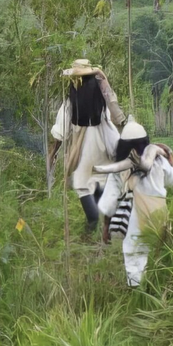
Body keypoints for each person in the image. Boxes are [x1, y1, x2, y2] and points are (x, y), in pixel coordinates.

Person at [48, 59, 127, 238]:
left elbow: (117, 117)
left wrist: (104, 81)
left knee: (101, 211)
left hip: (99, 161)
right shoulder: (73, 105)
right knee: (94, 213)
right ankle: (91, 240)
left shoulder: (100, 102)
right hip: (89, 162)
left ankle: (98, 244)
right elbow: (59, 135)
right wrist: (52, 155)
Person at [94, 119, 173, 287]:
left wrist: (106, 228)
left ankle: (138, 294)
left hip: (138, 219)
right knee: (157, 253)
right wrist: (169, 157)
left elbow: (109, 205)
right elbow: (172, 179)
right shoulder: (159, 161)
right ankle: (158, 289)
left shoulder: (119, 170)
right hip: (160, 214)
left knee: (134, 257)